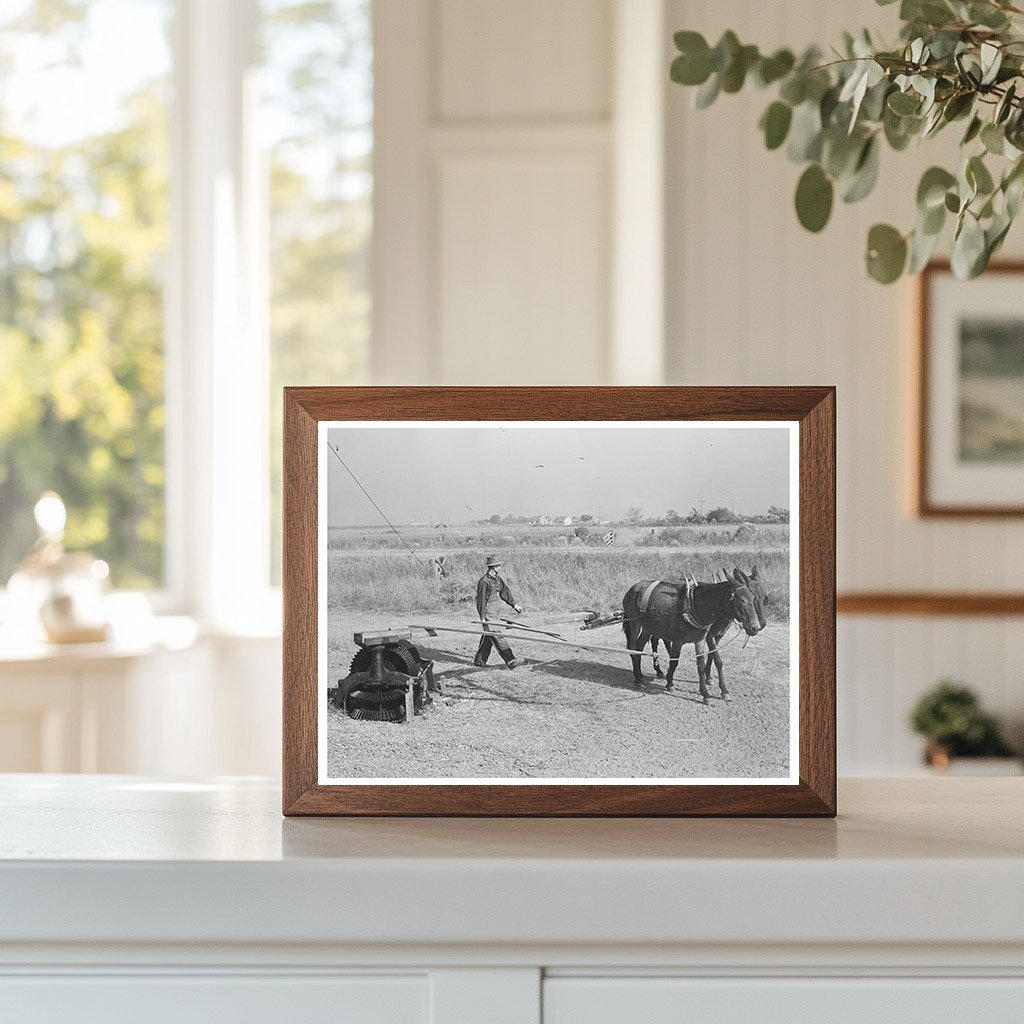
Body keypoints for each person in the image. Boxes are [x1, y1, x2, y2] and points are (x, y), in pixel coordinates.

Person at [473, 555, 523, 668]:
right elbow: (481, 600)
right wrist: (482, 617)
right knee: (497, 635)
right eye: (498, 565)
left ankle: (479, 661)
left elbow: (505, 592)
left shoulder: (498, 580)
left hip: (495, 612)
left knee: (488, 635)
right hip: (488, 613)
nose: (500, 567)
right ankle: (511, 660)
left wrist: (514, 605)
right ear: (493, 567)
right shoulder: (484, 582)